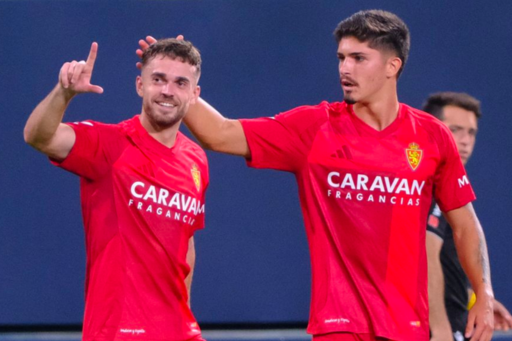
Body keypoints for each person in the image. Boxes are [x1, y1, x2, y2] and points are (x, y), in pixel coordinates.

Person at [139, 10, 494, 341]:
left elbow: (464, 224)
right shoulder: (315, 128)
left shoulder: (432, 137)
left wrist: (483, 294)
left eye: (358, 58)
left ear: (392, 66)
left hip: (407, 325)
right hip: (339, 324)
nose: (345, 68)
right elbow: (220, 133)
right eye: (341, 58)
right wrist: (174, 85)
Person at [24, 38, 208, 341]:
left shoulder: (196, 159)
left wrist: (186, 317)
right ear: (140, 85)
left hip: (179, 331)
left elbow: (186, 243)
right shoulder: (107, 145)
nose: (167, 90)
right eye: (158, 79)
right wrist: (63, 94)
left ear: (194, 94)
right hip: (118, 332)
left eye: (180, 83)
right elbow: (38, 137)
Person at [423, 92, 512, 341]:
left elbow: (445, 263)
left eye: (471, 132)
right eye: (455, 130)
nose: (465, 141)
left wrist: (476, 298)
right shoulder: (429, 185)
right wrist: (440, 330)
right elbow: (427, 257)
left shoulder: (446, 184)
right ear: (433, 131)